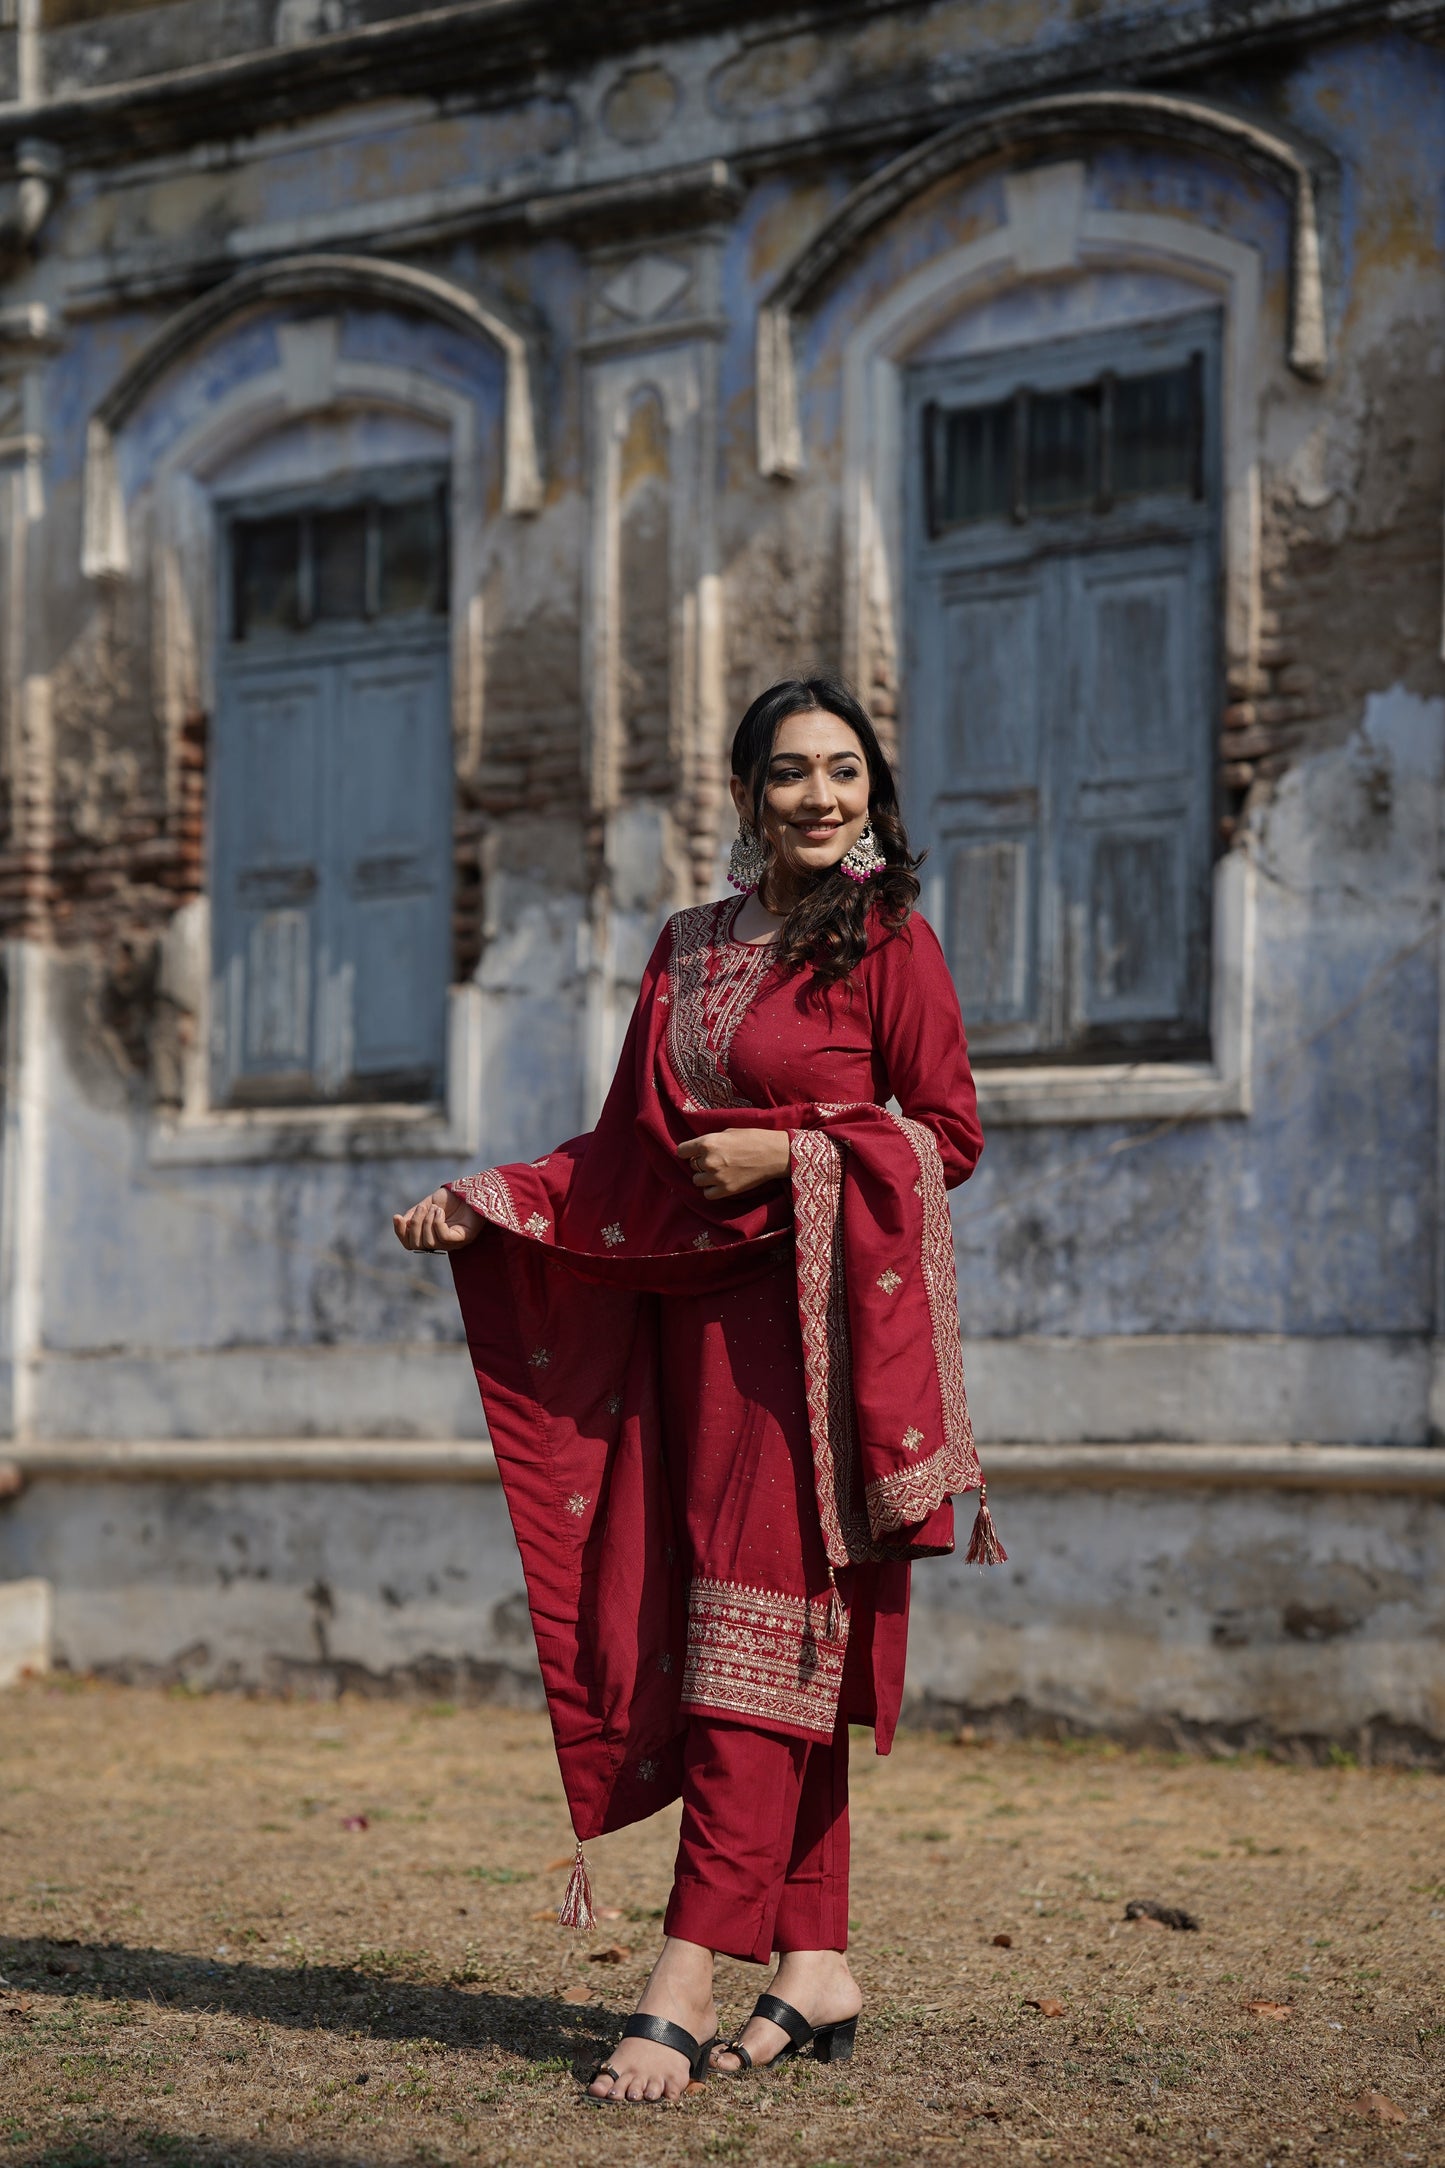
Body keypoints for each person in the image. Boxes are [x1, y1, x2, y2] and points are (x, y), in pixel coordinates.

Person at [393, 675, 1001, 2104]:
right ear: (746, 794)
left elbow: (951, 1136)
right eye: (788, 772)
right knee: (763, 1643)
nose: (818, 796)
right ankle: (814, 1964)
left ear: (874, 793)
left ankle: (679, 1979)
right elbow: (625, 1150)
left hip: (818, 1348)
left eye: (844, 771)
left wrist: (792, 1154)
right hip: (690, 1331)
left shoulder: (890, 942)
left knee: (762, 1649)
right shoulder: (687, 946)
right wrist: (492, 1200)